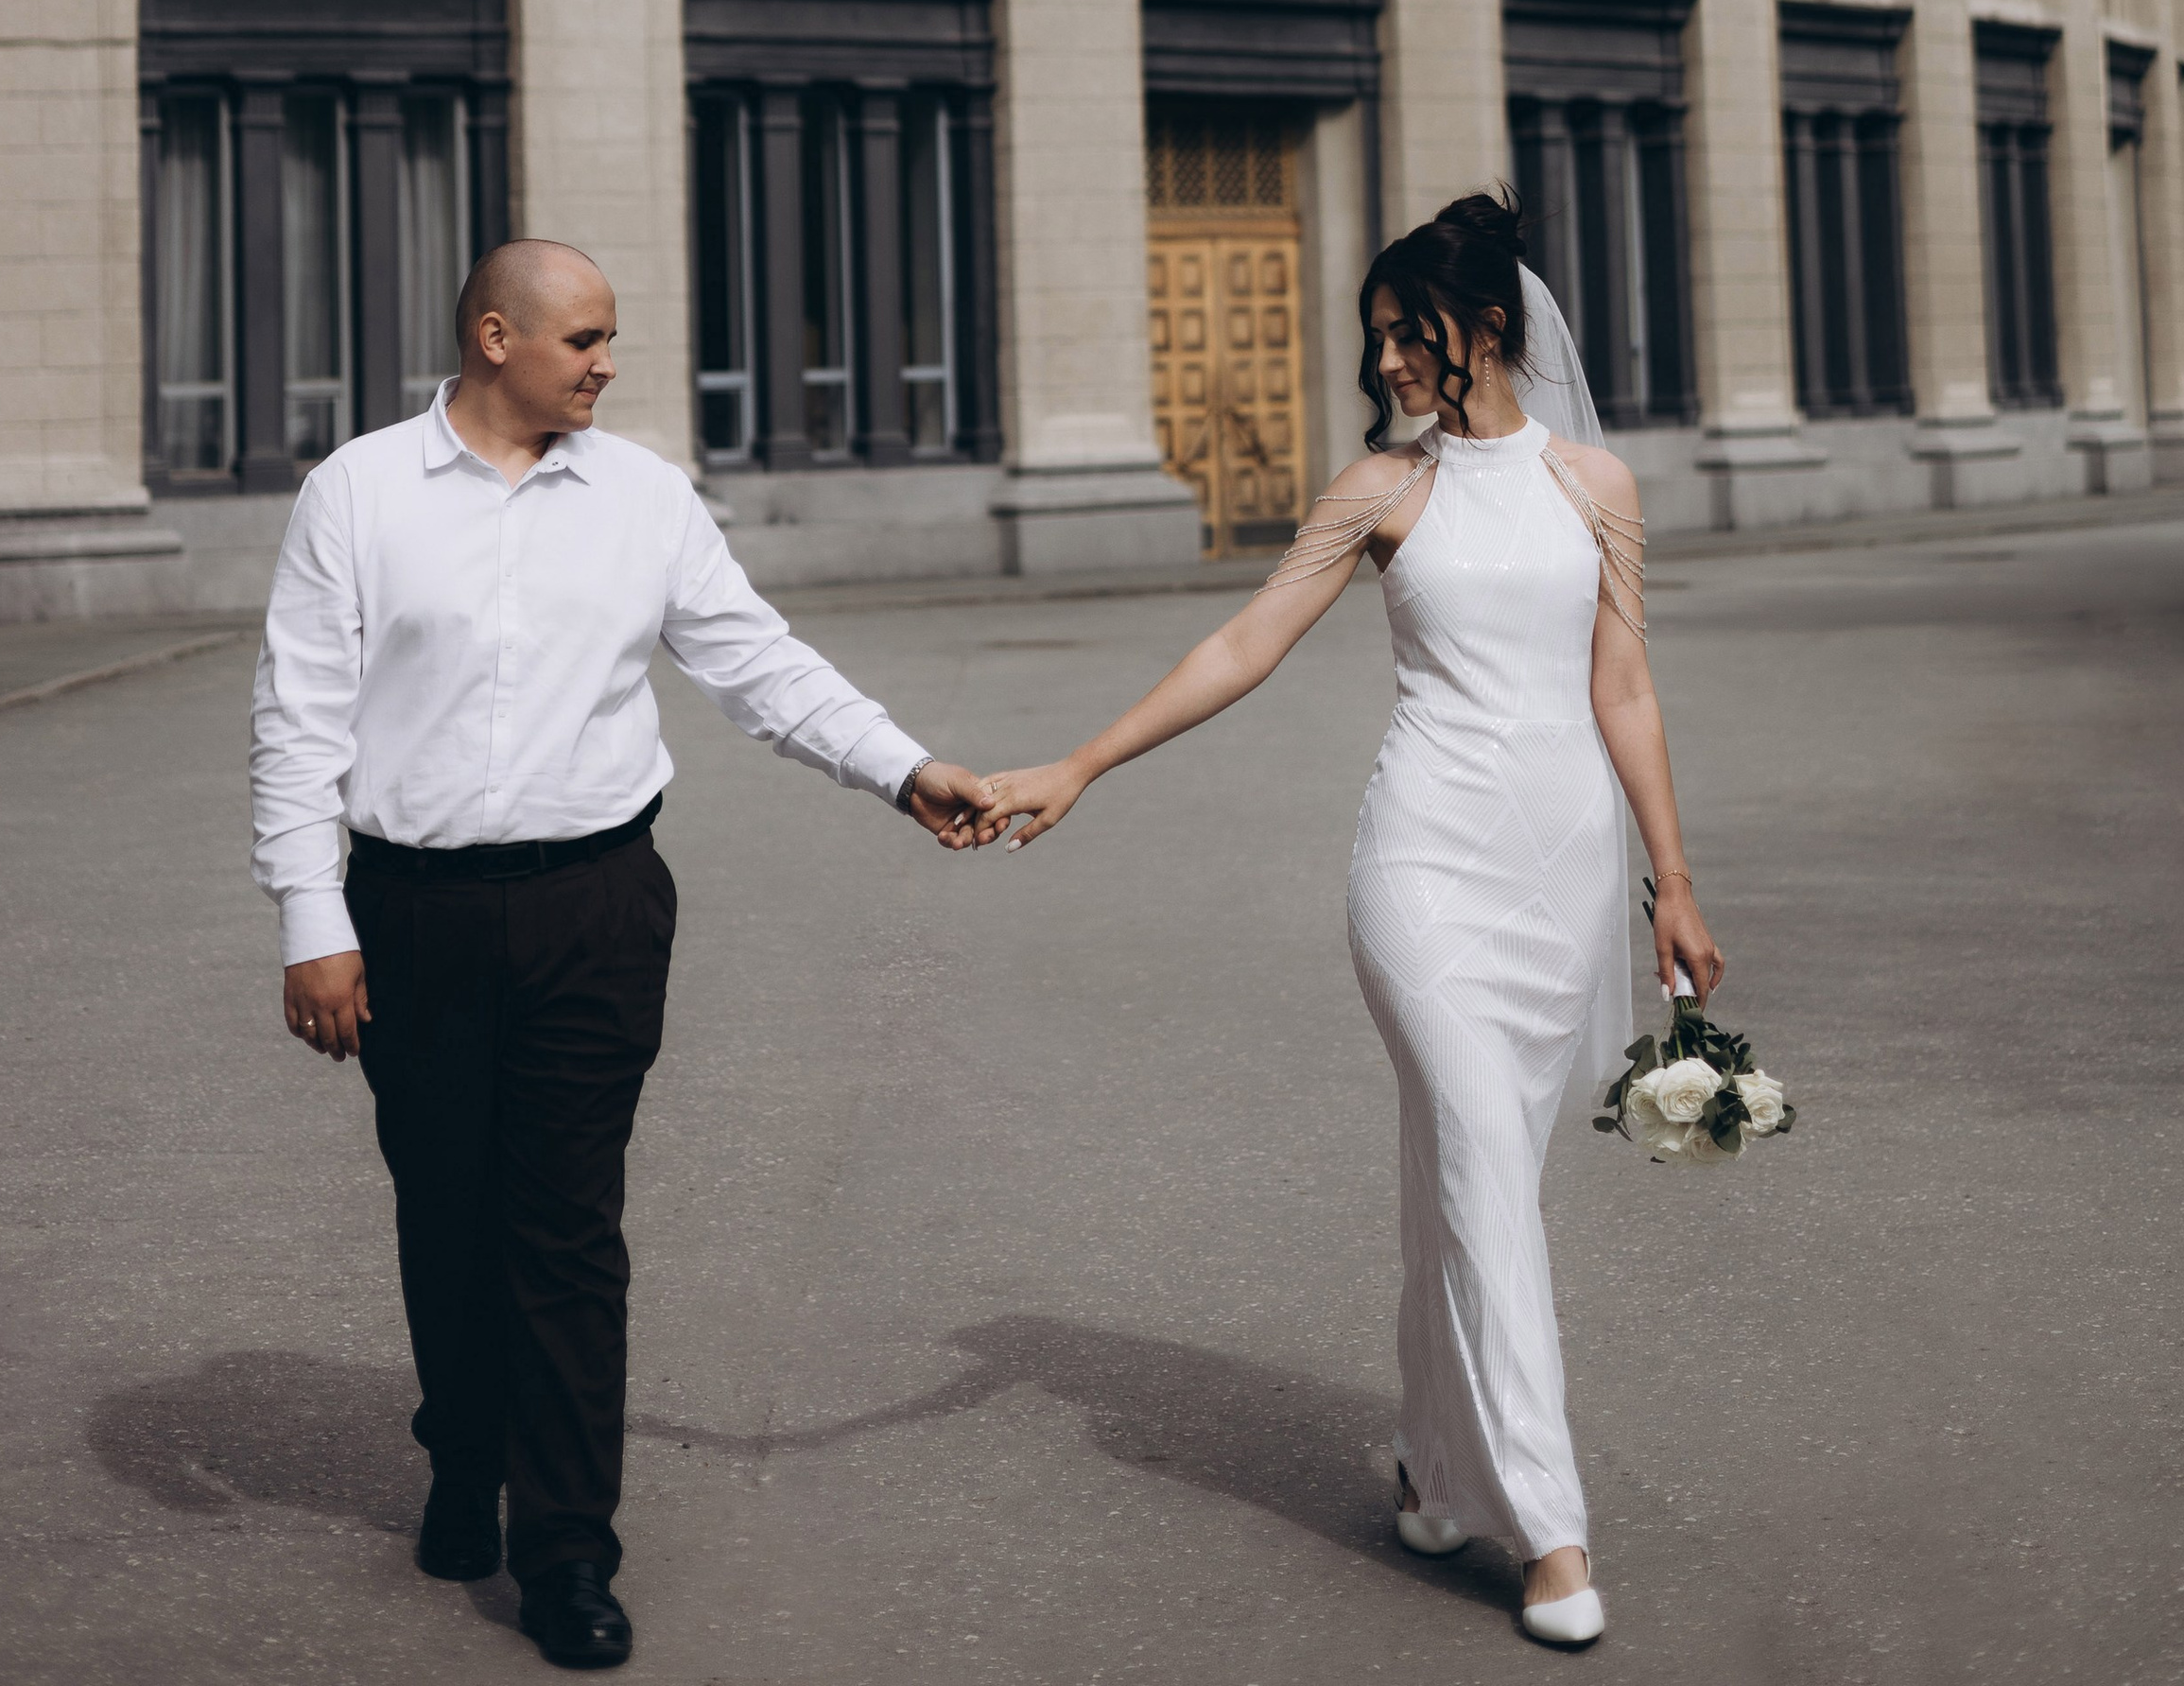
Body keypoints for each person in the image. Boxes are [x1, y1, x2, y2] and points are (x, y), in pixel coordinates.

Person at [976, 189, 1724, 1655]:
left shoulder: (1598, 487)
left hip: (1561, 870)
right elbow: (1243, 642)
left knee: (1469, 1179)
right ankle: (1551, 1533)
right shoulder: (1381, 491)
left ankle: (1436, 1474)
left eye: (1405, 333)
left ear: (1485, 329)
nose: (1383, 361)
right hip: (1424, 869)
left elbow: (1624, 686)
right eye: (1375, 336)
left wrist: (1675, 879)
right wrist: (1081, 764)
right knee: (1481, 1167)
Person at [251, 239, 994, 1670]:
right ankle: (465, 1456)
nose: (608, 363)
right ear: (494, 337)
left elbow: (759, 663)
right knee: (446, 1212)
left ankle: (569, 1551)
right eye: (584, 339)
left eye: (609, 339)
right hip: (414, 913)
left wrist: (903, 769)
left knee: (567, 1232)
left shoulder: (645, 498)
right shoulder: (358, 492)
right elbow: (300, 715)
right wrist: (311, 918)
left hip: (596, 907)